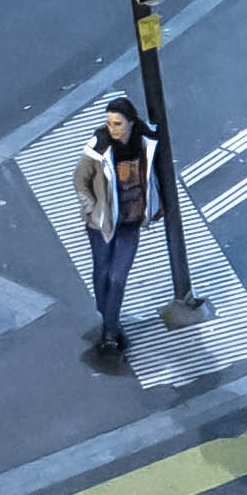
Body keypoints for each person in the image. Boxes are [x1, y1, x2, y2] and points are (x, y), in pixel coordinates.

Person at [74, 103, 155, 361]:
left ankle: (109, 332)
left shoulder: (145, 142)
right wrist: (92, 209)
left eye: (117, 123)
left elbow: (155, 175)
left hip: (130, 221)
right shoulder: (99, 147)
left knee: (117, 278)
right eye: (109, 123)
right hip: (102, 224)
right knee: (102, 273)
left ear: (131, 122)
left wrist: (155, 206)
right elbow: (80, 179)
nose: (112, 128)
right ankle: (108, 316)